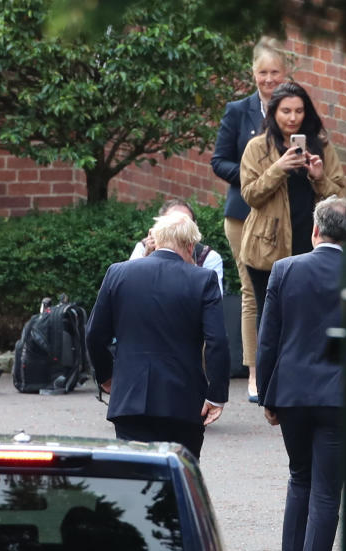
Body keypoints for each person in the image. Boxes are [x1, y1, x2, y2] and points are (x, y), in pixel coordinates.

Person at [256, 195, 346, 551]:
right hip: (339, 396)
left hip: (293, 392)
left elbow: (268, 339)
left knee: (300, 477)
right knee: (327, 492)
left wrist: (266, 394)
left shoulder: (285, 269)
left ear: (315, 229)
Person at [86, 211, 230, 460]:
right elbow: (217, 341)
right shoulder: (203, 279)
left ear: (157, 239)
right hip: (183, 401)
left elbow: (94, 334)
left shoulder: (118, 273)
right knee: (180, 478)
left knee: (135, 479)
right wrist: (216, 395)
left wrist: (106, 376)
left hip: (129, 398)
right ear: (190, 245)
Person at [211, 37, 288, 402]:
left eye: (275, 72)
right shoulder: (237, 111)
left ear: (285, 73)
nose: (269, 80)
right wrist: (255, 175)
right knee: (252, 292)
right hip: (244, 215)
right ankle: (256, 372)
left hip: (289, 217)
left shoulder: (295, 109)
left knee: (287, 291)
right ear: (252, 73)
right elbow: (218, 161)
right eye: (263, 73)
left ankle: (284, 369)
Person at [239, 81, 346, 329]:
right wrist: (278, 169)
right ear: (273, 113)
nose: (293, 118)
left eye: (299, 111)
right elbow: (251, 195)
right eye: (286, 111)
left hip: (310, 240)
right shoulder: (257, 147)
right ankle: (266, 368)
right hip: (267, 247)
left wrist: (320, 177)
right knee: (270, 317)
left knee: (308, 315)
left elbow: (341, 199)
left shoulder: (321, 146)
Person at [129, 198, 224, 295]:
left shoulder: (208, 256)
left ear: (195, 227)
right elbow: (129, 287)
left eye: (185, 225)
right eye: (171, 224)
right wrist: (146, 259)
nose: (178, 231)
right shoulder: (143, 247)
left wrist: (191, 266)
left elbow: (213, 297)